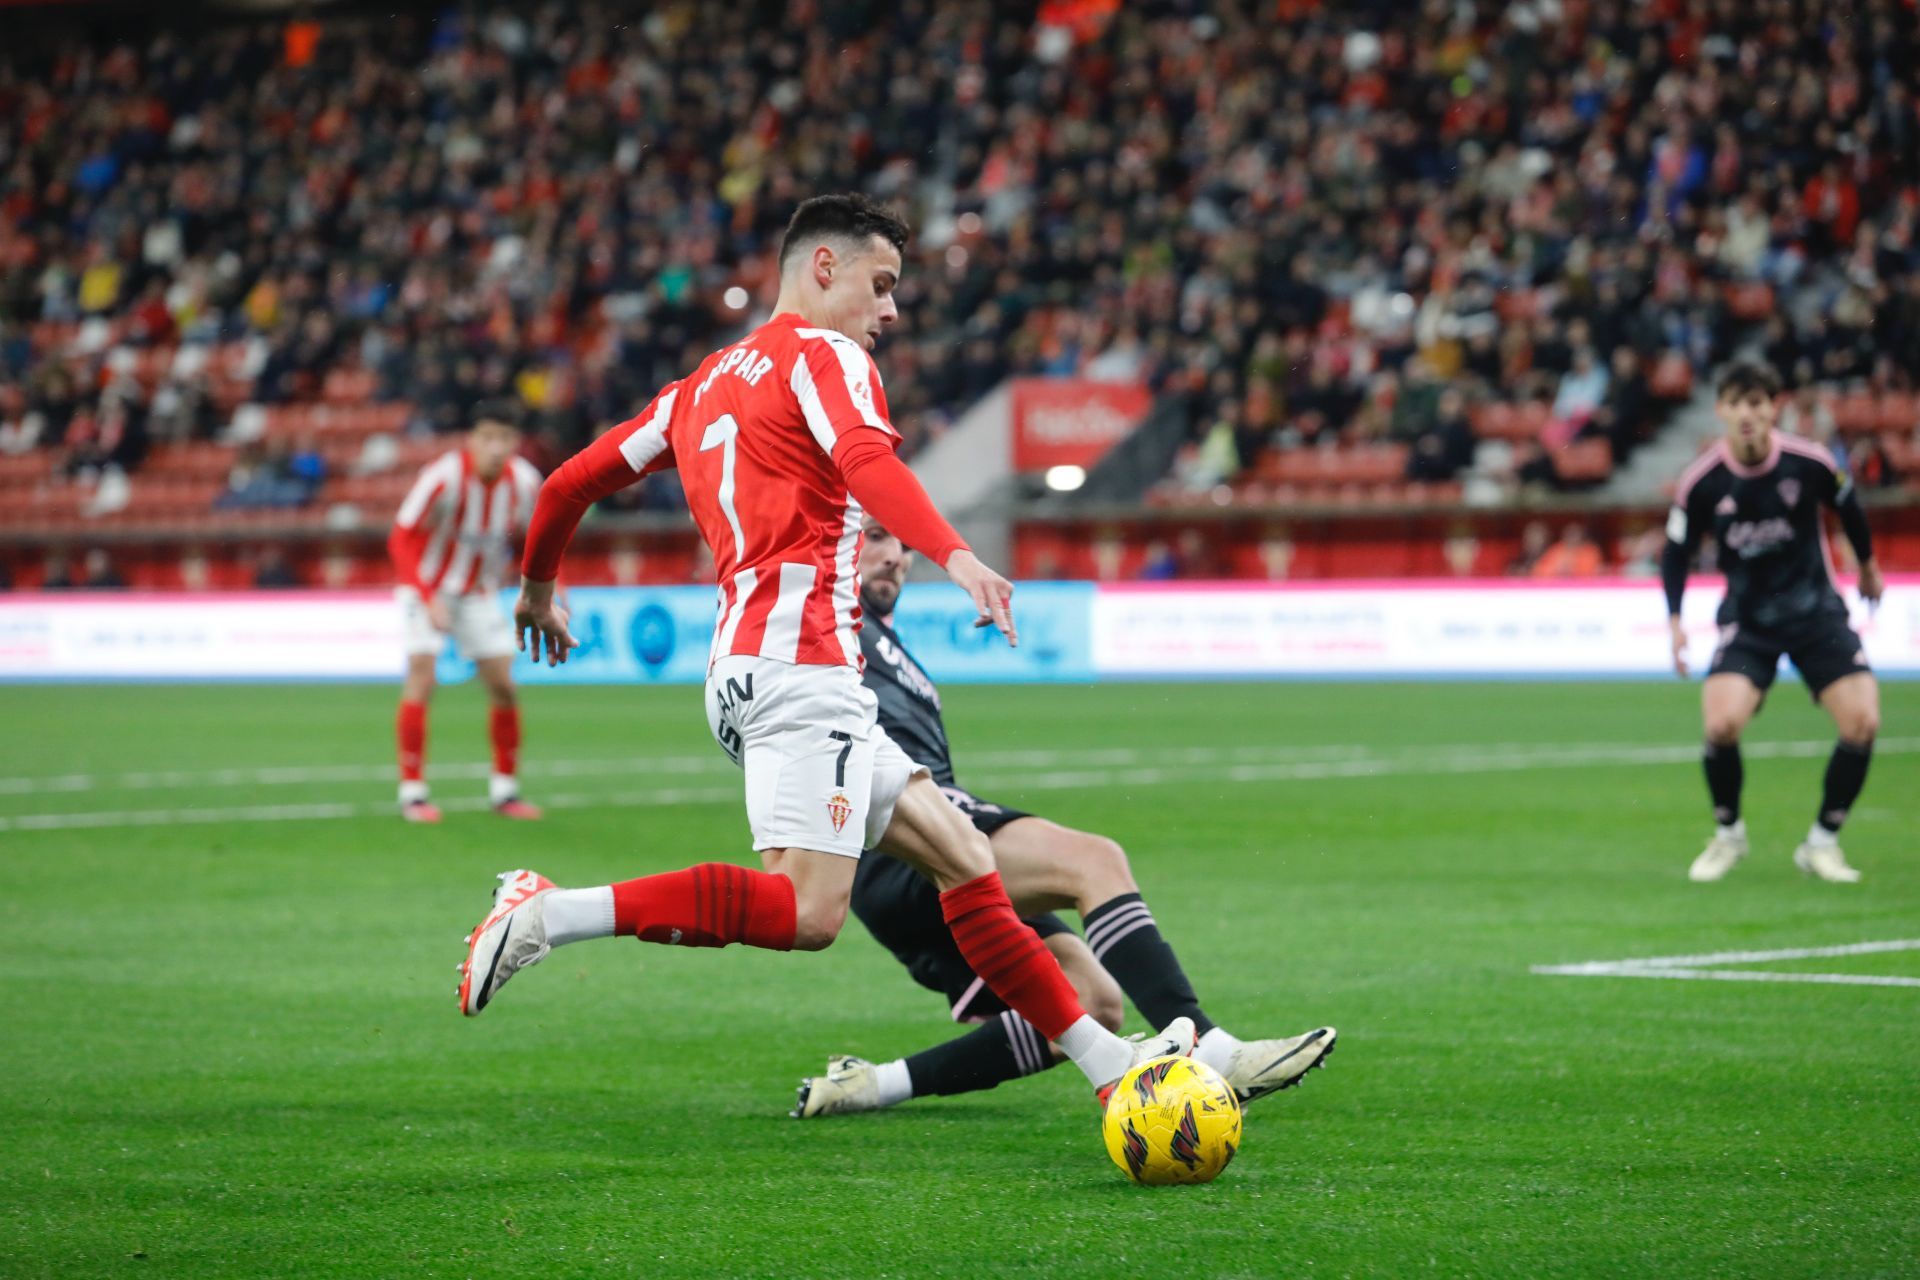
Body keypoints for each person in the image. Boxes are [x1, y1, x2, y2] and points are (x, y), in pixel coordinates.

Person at [470, 194, 1195, 1106]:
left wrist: (538, 586)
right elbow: (867, 459)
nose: (888, 311)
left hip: (755, 664)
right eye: (880, 284)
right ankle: (547, 913)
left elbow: (569, 484)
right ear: (824, 267)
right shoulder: (825, 354)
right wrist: (956, 553)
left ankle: (1107, 1064)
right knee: (807, 914)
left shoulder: (695, 390)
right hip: (801, 662)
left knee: (965, 859)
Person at [792, 517, 1336, 1117]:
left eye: (901, 542)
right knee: (1092, 861)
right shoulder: (829, 617)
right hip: (900, 835)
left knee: (1093, 1003)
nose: (893, 555)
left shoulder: (898, 651)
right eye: (872, 537)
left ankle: (871, 1085)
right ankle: (1214, 1050)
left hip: (921, 845)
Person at [1663, 362, 1884, 883]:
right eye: (1737, 403)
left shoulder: (1808, 462)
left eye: (1758, 403)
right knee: (1720, 724)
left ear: (1773, 408)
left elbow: (1848, 507)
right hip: (1748, 619)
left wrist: (1869, 568)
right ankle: (1728, 834)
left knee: (1863, 722)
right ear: (1721, 410)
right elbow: (1676, 553)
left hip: (1815, 611)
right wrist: (1674, 620)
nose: (1748, 414)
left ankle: (1822, 843)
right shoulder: (1701, 483)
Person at [387, 400, 544, 823]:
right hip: (428, 586)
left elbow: (544, 538)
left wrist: (549, 588)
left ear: (515, 443)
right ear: (473, 440)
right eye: (488, 438)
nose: (496, 448)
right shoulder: (443, 477)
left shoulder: (526, 482)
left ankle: (505, 790)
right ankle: (413, 792)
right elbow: (401, 538)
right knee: (423, 674)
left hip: (478, 593)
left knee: (504, 687)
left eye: (505, 439)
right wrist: (426, 594)